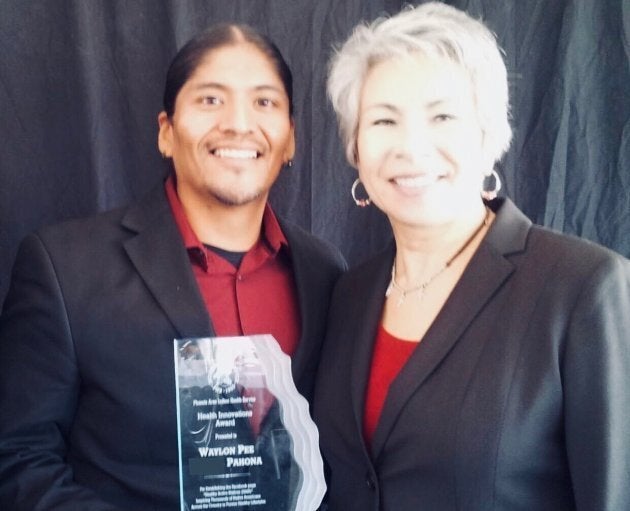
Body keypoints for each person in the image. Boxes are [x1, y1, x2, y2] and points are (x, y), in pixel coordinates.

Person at [0, 23, 345, 510]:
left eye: (264, 102)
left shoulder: (326, 273)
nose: (238, 123)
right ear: (166, 132)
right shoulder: (63, 267)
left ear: (289, 140)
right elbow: (18, 459)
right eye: (210, 100)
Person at [313, 3, 630, 510]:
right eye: (384, 120)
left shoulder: (583, 289)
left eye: (442, 116)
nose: (412, 147)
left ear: (488, 136)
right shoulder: (350, 293)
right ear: (355, 147)